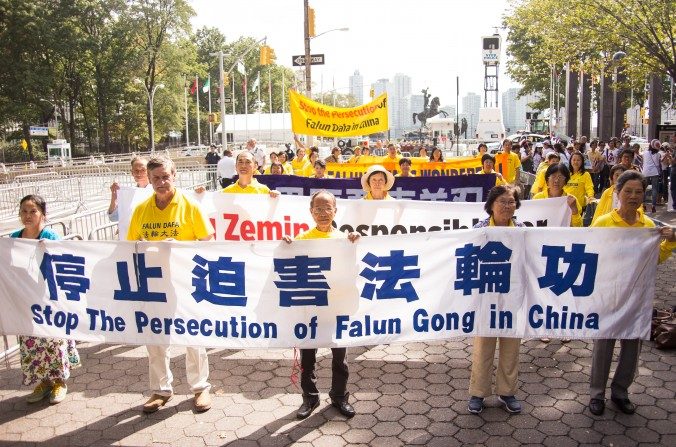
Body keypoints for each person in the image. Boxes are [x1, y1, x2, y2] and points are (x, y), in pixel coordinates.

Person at [127, 156, 214, 413]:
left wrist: (180, 249)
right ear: (149, 179)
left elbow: (208, 241)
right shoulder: (142, 209)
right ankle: (160, 390)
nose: (161, 182)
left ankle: (200, 388)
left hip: (187, 284)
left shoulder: (190, 205)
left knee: (193, 336)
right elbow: (130, 244)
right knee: (155, 337)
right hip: (154, 285)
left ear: (174, 175)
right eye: (156, 178)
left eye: (166, 176)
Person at [589, 171, 675, 416]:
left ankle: (620, 392)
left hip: (636, 298)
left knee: (631, 347)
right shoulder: (604, 223)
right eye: (628, 191)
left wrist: (669, 242)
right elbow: (590, 255)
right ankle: (596, 394)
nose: (633, 196)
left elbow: (655, 259)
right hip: (607, 295)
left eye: (639, 192)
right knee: (603, 346)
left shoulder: (648, 226)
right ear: (617, 193)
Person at [282, 191, 360, 419]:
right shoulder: (302, 239)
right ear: (311, 212)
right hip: (310, 310)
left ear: (336, 210)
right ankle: (310, 397)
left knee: (340, 357)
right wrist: (287, 245)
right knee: (308, 357)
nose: (323, 213)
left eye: (328, 208)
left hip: (337, 308)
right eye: (318, 209)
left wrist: (354, 242)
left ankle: (339, 396)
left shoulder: (345, 239)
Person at [11, 194, 81, 404]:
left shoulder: (49, 236)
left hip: (49, 300)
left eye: (33, 211)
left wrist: (50, 249)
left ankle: (59, 382)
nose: (28, 215)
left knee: (53, 340)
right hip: (26, 299)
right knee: (31, 341)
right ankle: (43, 382)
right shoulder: (15, 237)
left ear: (43, 214)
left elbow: (65, 262)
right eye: (24, 211)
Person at [468, 185, 525, 415]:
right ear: (491, 205)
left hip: (513, 296)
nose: (507, 206)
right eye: (502, 201)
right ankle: (478, 393)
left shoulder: (522, 230)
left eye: (511, 202)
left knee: (511, 345)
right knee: (484, 345)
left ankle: (507, 392)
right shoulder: (479, 229)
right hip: (486, 295)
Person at [108, 156, 150, 221]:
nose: (139, 173)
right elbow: (114, 217)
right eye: (136, 170)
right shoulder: (129, 193)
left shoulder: (156, 191)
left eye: (143, 170)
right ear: (132, 173)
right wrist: (114, 198)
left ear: (149, 171)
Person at [642, 139, 662, 213]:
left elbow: (643, 162)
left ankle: (643, 205)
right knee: (654, 189)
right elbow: (658, 164)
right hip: (655, 172)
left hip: (645, 172)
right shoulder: (658, 154)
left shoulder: (645, 153)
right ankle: (653, 206)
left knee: (644, 188)